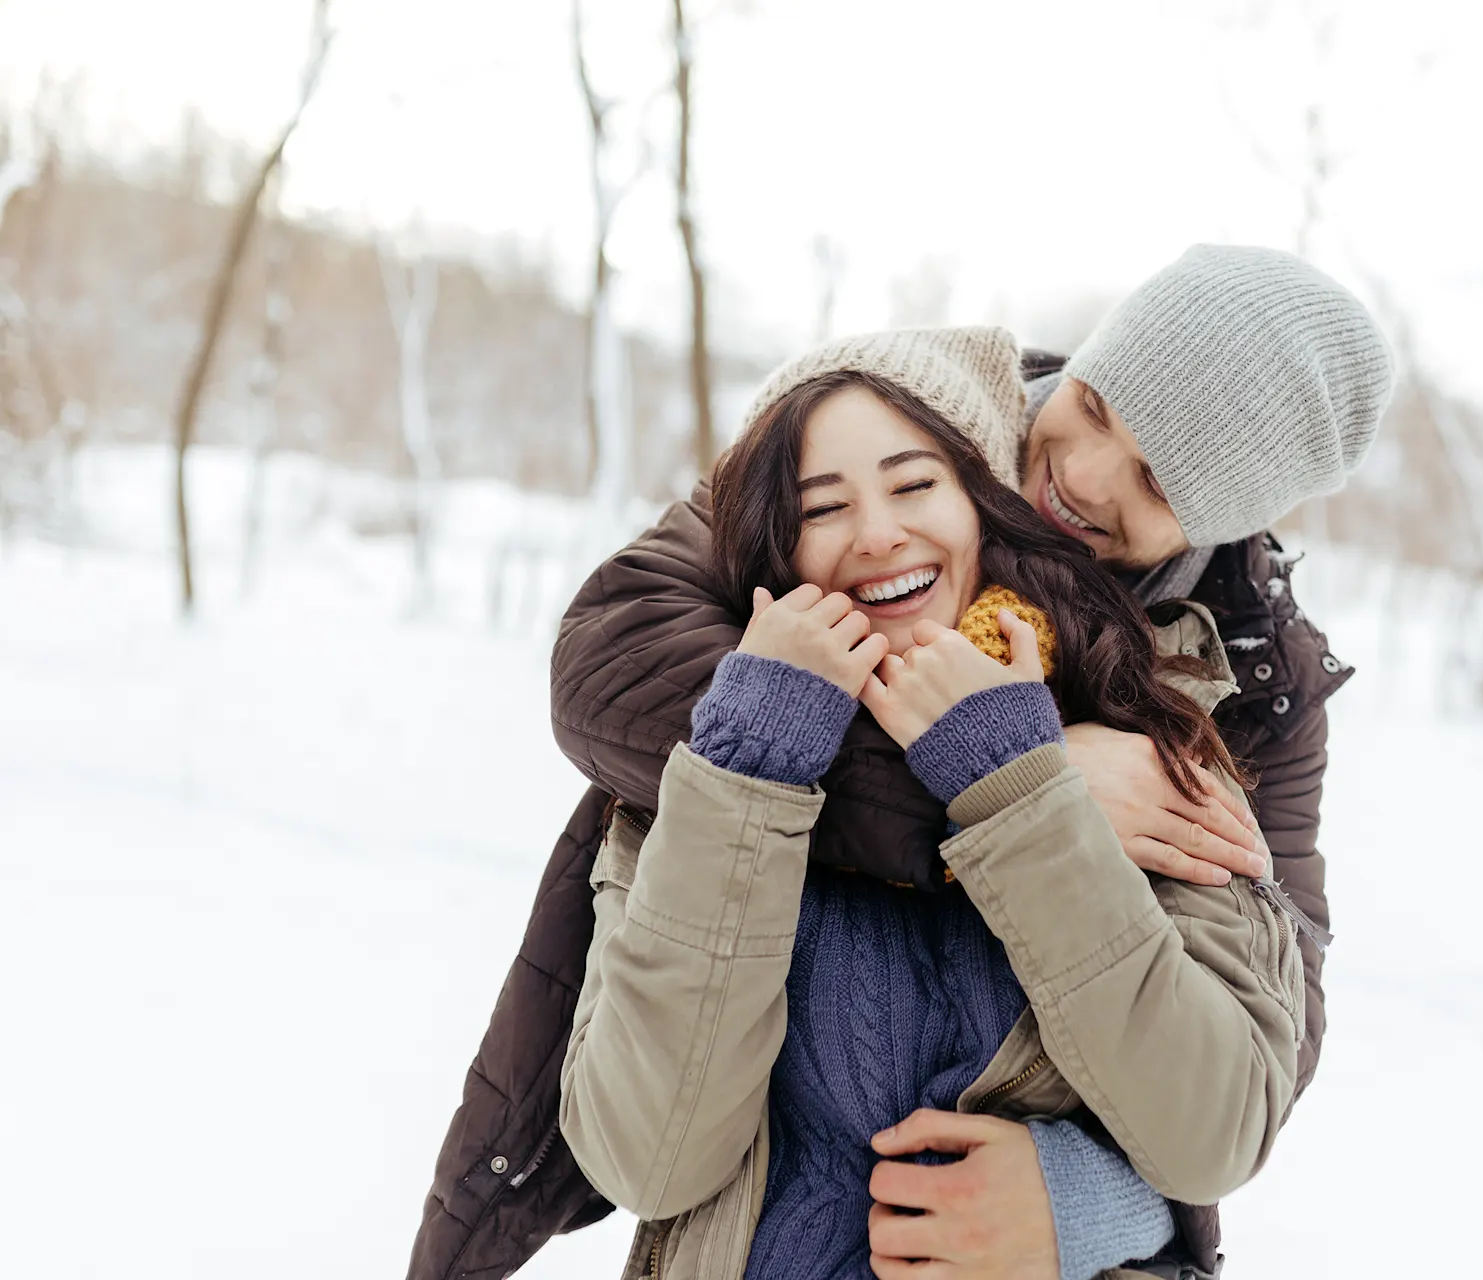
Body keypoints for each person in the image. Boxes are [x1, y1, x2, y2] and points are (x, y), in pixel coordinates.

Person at [406, 245, 1393, 1280]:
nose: (1086, 476)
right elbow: (611, 651)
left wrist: (1098, 1200)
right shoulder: (895, 425)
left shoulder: (1241, 684)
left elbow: (1264, 1038)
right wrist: (1012, 780)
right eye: (1095, 405)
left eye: (1156, 480)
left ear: (1228, 520)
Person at [558, 335, 1306, 1280]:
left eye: (914, 486)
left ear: (985, 506)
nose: (875, 534)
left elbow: (1216, 1127)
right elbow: (647, 1161)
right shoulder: (717, 754)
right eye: (821, 507)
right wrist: (753, 768)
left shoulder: (1154, 735)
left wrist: (1018, 789)